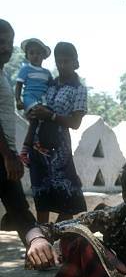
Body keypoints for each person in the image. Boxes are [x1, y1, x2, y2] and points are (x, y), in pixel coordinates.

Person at [27, 41, 87, 224]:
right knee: (41, 194)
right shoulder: (48, 84)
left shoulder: (79, 89)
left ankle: (56, 236)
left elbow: (76, 122)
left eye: (66, 62)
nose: (62, 66)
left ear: (75, 62)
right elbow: (33, 110)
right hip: (38, 146)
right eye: (59, 62)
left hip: (59, 149)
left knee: (69, 197)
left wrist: (51, 115)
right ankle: (42, 242)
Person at [0, 19, 36, 244]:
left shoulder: (3, 74)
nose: (5, 47)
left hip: (6, 154)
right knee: (20, 210)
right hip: (2, 154)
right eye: (1, 42)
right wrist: (7, 155)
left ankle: (41, 252)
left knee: (20, 210)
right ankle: (40, 251)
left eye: (9, 43)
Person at [15, 37, 53, 165]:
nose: (35, 55)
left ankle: (33, 146)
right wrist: (18, 100)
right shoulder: (25, 69)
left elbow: (52, 86)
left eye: (38, 53)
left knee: (40, 122)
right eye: (32, 53)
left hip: (42, 101)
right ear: (27, 55)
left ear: (43, 56)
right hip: (29, 98)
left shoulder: (47, 73)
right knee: (35, 122)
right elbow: (19, 85)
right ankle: (28, 150)